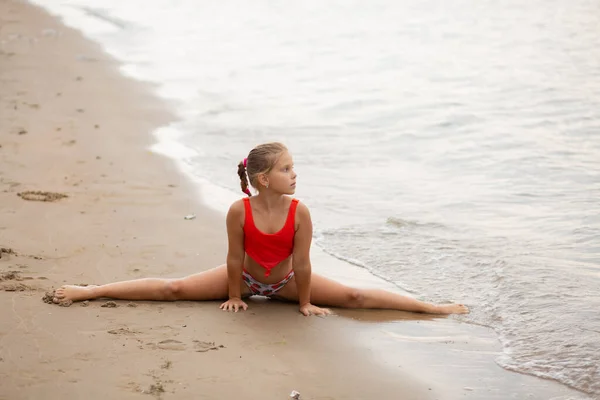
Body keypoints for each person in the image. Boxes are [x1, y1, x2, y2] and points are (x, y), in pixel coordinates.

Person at [53, 142, 469, 316]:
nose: (294, 173)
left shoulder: (300, 211)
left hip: (287, 281)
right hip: (248, 277)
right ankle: (90, 291)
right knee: (175, 289)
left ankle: (432, 307)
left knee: (355, 296)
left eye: (293, 167)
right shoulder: (239, 210)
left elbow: (302, 263)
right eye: (286, 169)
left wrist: (304, 302)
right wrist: (235, 294)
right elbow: (234, 257)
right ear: (264, 179)